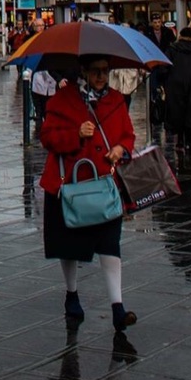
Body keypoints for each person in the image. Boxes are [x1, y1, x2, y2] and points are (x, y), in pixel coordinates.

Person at [39, 54, 137, 331]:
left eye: (105, 71)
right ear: (83, 71)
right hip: (70, 187)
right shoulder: (61, 101)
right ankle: (71, 294)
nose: (101, 77)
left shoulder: (116, 99)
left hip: (106, 185)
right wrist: (76, 133)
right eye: (96, 71)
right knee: (68, 246)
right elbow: (47, 138)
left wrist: (121, 149)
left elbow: (128, 134)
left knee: (110, 245)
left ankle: (118, 307)